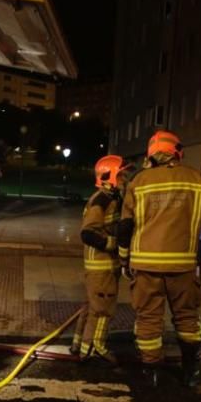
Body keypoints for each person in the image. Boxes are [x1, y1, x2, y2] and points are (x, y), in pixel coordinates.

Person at [117, 130, 201, 389]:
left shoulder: (139, 182)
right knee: (186, 316)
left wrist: (123, 258)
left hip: (145, 264)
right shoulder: (195, 179)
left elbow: (125, 225)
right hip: (182, 264)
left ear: (150, 154)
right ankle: (191, 370)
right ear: (177, 152)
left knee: (149, 318)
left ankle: (151, 372)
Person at [70, 155, 126, 363]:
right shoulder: (101, 200)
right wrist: (113, 244)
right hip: (101, 266)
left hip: (102, 266)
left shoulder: (109, 199)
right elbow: (88, 233)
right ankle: (95, 348)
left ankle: (79, 344)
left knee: (92, 306)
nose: (124, 178)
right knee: (104, 309)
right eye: (121, 175)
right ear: (109, 177)